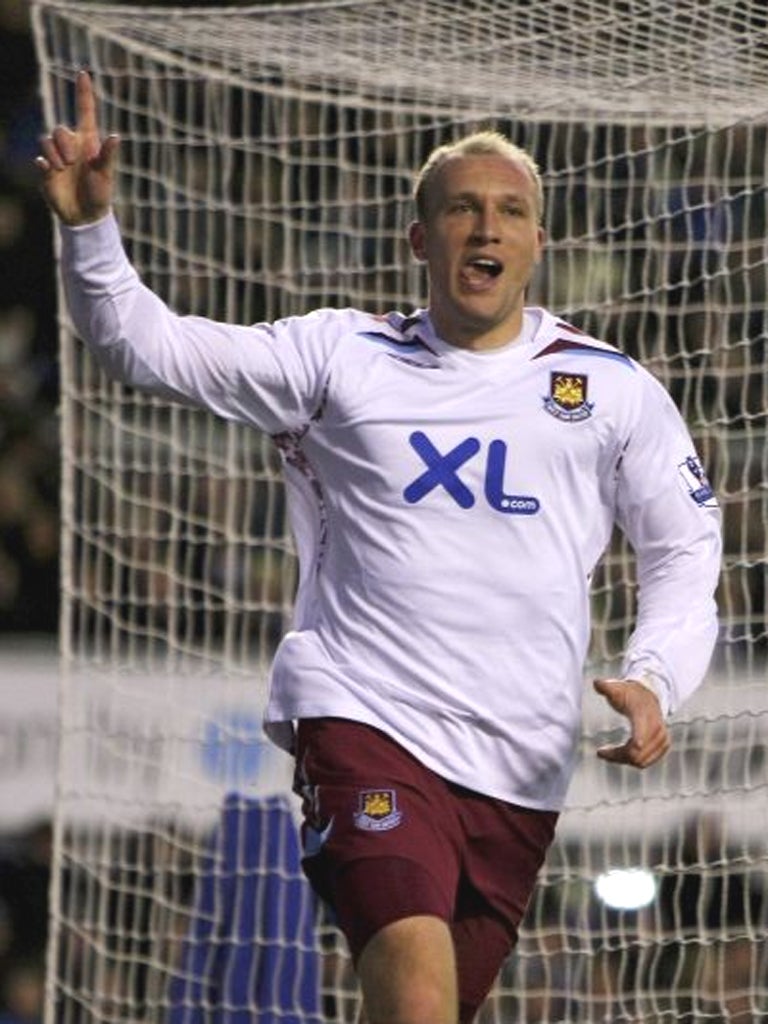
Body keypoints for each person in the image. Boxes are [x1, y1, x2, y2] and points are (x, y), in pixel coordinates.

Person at [36, 71, 722, 1024]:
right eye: (462, 209)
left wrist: (655, 675)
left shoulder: (612, 390)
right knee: (416, 996)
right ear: (419, 239)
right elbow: (147, 348)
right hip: (367, 721)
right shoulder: (338, 358)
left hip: (521, 767)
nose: (485, 229)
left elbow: (684, 547)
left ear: (538, 243)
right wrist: (89, 232)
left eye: (510, 212)